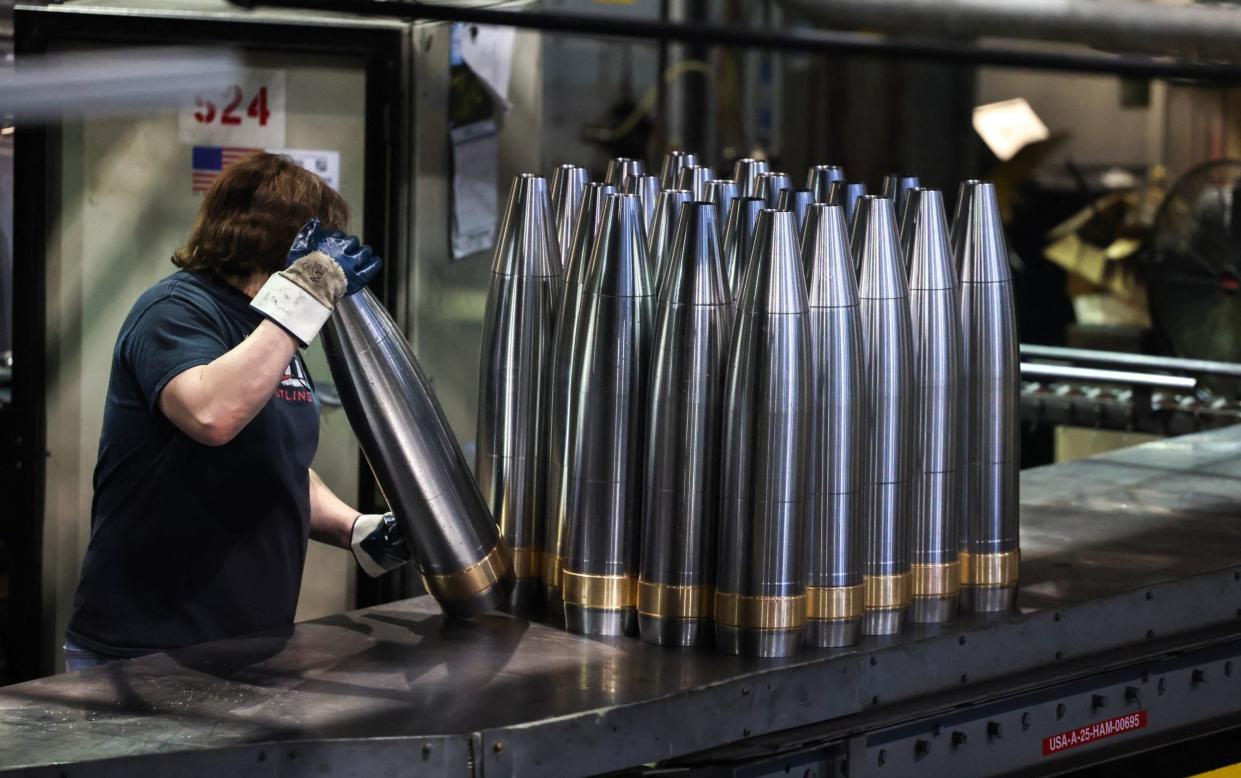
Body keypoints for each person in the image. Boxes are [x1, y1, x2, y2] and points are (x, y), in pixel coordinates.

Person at [63, 153, 409, 673]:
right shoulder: (175, 311)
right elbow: (211, 415)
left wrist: (356, 529)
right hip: (149, 652)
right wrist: (306, 293)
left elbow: (273, 455)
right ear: (280, 238)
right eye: (316, 240)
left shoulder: (266, 327)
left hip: (251, 644)